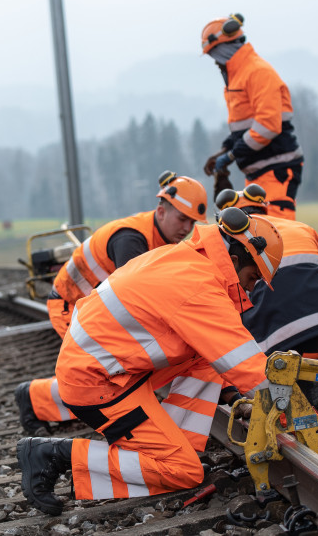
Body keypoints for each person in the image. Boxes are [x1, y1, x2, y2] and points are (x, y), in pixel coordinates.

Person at [16, 207, 284, 516]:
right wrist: (299, 418)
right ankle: (54, 455)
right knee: (186, 472)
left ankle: (176, 442)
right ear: (235, 261)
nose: (251, 289)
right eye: (252, 278)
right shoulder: (199, 287)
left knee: (207, 358)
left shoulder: (186, 260)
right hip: (97, 384)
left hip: (111, 369)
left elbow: (217, 355)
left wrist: (233, 395)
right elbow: (247, 364)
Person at [15, 171, 209, 434]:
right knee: (100, 378)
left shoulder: (159, 239)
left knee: (111, 375)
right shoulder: (131, 239)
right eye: (182, 218)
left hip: (93, 310)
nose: (186, 229)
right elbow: (137, 300)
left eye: (192, 222)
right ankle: (34, 398)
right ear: (161, 210)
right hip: (71, 305)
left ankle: (38, 400)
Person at [215, 184, 318, 406]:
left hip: (272, 346)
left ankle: (288, 390)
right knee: (294, 346)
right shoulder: (302, 228)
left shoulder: (231, 248)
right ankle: (302, 381)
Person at [201, 13, 304, 220]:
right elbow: (243, 128)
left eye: (215, 56)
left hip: (277, 169)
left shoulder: (257, 72)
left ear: (224, 49)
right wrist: (224, 150)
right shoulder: (238, 77)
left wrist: (230, 156)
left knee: (278, 232)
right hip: (258, 172)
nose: (215, 64)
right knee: (261, 232)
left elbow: (267, 126)